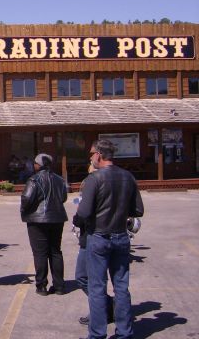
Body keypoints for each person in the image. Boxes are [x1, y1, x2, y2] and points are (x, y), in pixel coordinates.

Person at [76, 139, 144, 339]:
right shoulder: (128, 177)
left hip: (99, 236)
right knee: (121, 287)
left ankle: (97, 334)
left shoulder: (94, 179)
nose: (90, 157)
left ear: (99, 154)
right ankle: (125, 332)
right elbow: (138, 209)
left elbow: (85, 211)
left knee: (97, 288)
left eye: (91, 153)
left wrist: (78, 219)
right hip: (121, 236)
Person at [20, 153, 68, 296]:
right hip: (57, 218)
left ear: (39, 165)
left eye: (35, 163)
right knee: (55, 251)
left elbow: (26, 199)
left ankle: (41, 286)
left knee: (40, 253)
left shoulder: (34, 180)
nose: (34, 165)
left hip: (37, 220)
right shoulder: (60, 180)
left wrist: (24, 210)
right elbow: (64, 197)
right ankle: (59, 286)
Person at [73, 163, 114, 327]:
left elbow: (81, 216)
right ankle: (105, 306)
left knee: (85, 277)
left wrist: (79, 212)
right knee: (90, 278)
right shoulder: (96, 183)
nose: (89, 167)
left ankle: (101, 309)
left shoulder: (93, 184)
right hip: (97, 236)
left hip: (92, 237)